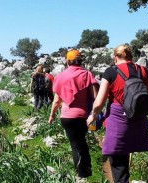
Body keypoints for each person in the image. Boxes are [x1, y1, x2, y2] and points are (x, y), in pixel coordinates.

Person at [87, 44, 148, 183]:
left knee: (118, 162)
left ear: (115, 57)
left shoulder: (111, 72)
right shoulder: (143, 71)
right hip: (138, 120)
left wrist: (92, 116)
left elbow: (99, 102)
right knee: (127, 154)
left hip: (118, 122)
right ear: (131, 56)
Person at [48, 50, 98, 182]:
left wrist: (52, 115)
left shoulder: (60, 76)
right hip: (83, 116)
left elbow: (56, 100)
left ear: (68, 61)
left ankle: (82, 173)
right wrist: (95, 114)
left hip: (66, 117)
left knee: (76, 145)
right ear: (80, 60)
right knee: (80, 144)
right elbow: (96, 97)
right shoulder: (87, 74)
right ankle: (83, 174)